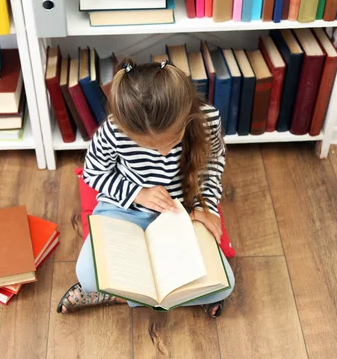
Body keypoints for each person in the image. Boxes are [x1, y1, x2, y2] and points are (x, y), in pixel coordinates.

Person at [57, 59, 235, 318]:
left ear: (186, 117)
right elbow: (94, 172)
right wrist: (137, 194)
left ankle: (119, 295)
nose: (163, 154)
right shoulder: (114, 129)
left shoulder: (207, 119)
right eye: (150, 147)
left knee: (224, 286)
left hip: (180, 211)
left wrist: (203, 208)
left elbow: (211, 167)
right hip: (124, 208)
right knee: (86, 274)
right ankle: (180, 297)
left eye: (172, 141)